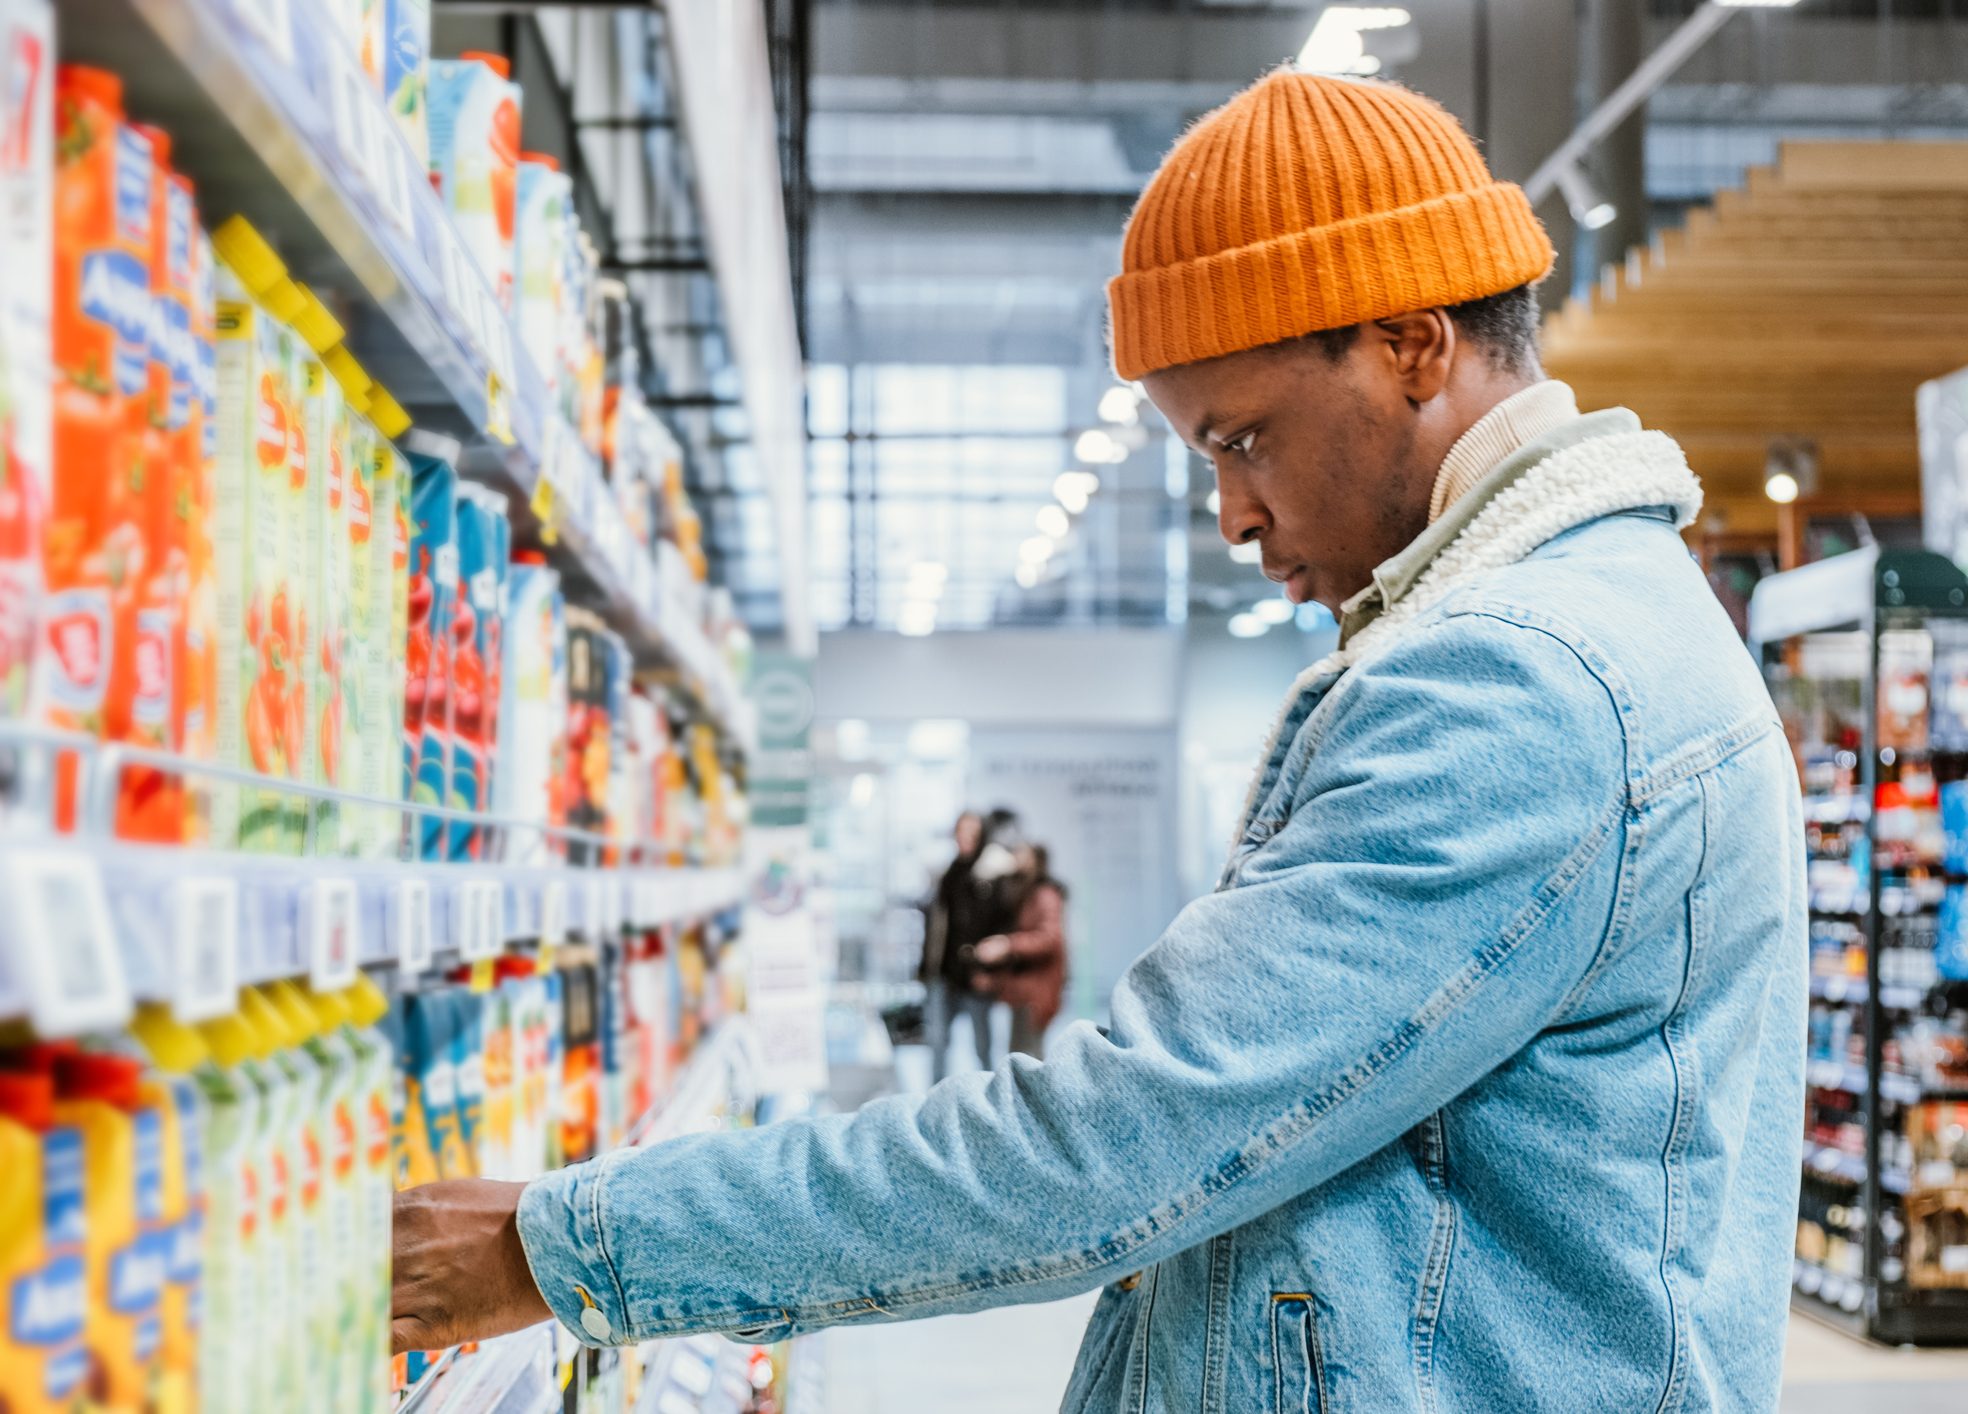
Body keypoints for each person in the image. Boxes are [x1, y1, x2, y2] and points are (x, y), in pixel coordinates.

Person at [390, 69, 1805, 1412]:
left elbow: (1110, 1141)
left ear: (1412, 345)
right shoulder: (1586, 630)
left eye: (1240, 437)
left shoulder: (1522, 684)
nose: (1232, 516)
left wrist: (566, 1241)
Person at [918, 810, 1017, 1077]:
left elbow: (1001, 927)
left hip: (976, 974)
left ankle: (989, 1105)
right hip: (943, 972)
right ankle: (935, 1105)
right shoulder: (950, 874)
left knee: (982, 1046)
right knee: (937, 1041)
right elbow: (937, 927)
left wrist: (989, 970)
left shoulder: (993, 875)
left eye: (971, 832)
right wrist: (927, 967)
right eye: (960, 832)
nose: (964, 838)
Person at [972, 842, 1068, 1060]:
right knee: (1019, 1055)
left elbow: (1050, 939)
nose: (1015, 857)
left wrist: (1008, 944)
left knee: (1027, 1058)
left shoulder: (1044, 894)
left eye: (1021, 853)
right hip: (1023, 990)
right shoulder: (1023, 893)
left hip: (1036, 992)